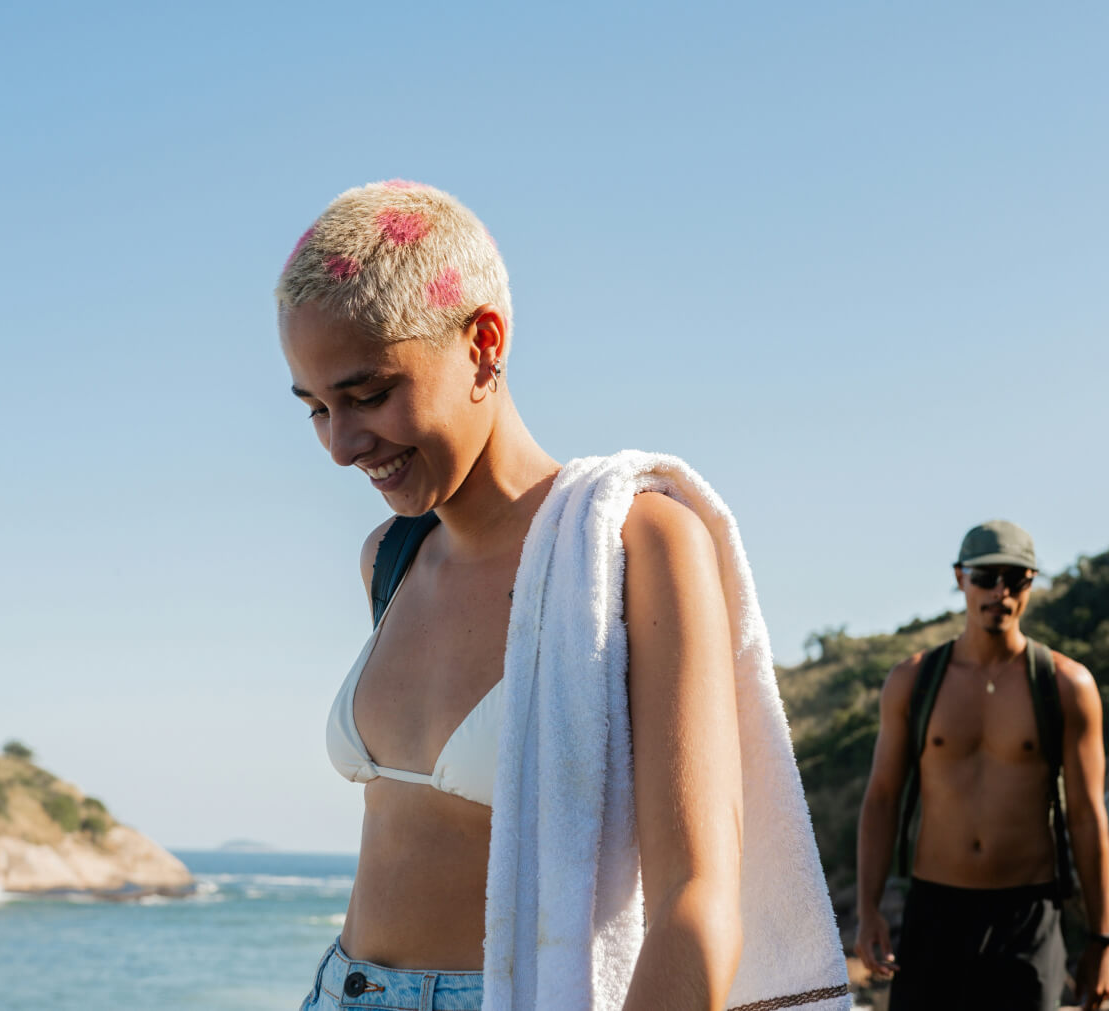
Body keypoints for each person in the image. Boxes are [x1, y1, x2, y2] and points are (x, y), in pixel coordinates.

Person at [275, 182, 848, 1011]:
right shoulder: (389, 558)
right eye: (316, 408)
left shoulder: (631, 546)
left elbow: (696, 898)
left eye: (368, 396)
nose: (340, 445)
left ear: (483, 343)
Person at [853, 521, 1109, 1011]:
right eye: (985, 578)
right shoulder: (913, 681)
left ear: (1031, 583)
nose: (1001, 592)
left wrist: (1103, 940)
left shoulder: (1066, 686)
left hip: (1027, 918)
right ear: (960, 578)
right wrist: (868, 909)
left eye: (1015, 579)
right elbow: (883, 799)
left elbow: (1087, 816)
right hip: (935, 913)